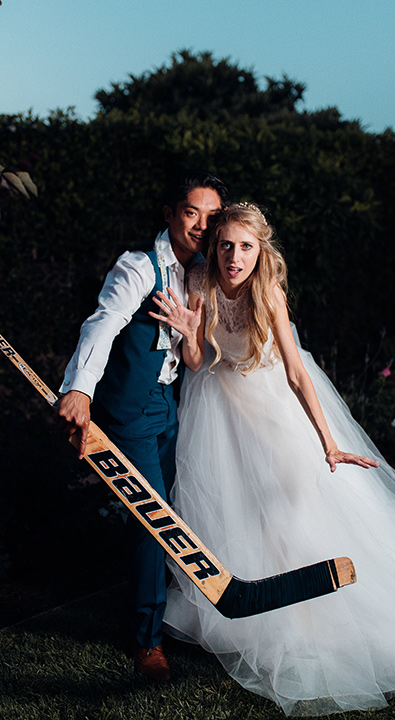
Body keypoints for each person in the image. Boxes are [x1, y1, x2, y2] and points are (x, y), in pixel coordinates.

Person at [149, 202, 395, 716]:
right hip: (218, 405)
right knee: (237, 510)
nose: (234, 257)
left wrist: (327, 441)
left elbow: (297, 375)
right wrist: (190, 332)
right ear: (214, 248)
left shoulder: (268, 292)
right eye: (226, 246)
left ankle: (317, 616)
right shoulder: (199, 282)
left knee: (296, 507)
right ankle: (258, 612)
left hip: (274, 406)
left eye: (246, 247)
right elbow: (196, 361)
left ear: (262, 252)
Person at [57, 169, 229, 682]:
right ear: (171, 214)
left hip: (169, 404)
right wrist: (80, 388)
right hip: (129, 409)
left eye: (211, 216)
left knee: (177, 511)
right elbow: (103, 323)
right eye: (191, 213)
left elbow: (194, 353)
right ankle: (147, 641)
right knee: (152, 520)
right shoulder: (138, 266)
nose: (201, 225)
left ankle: (173, 617)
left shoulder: (202, 271)